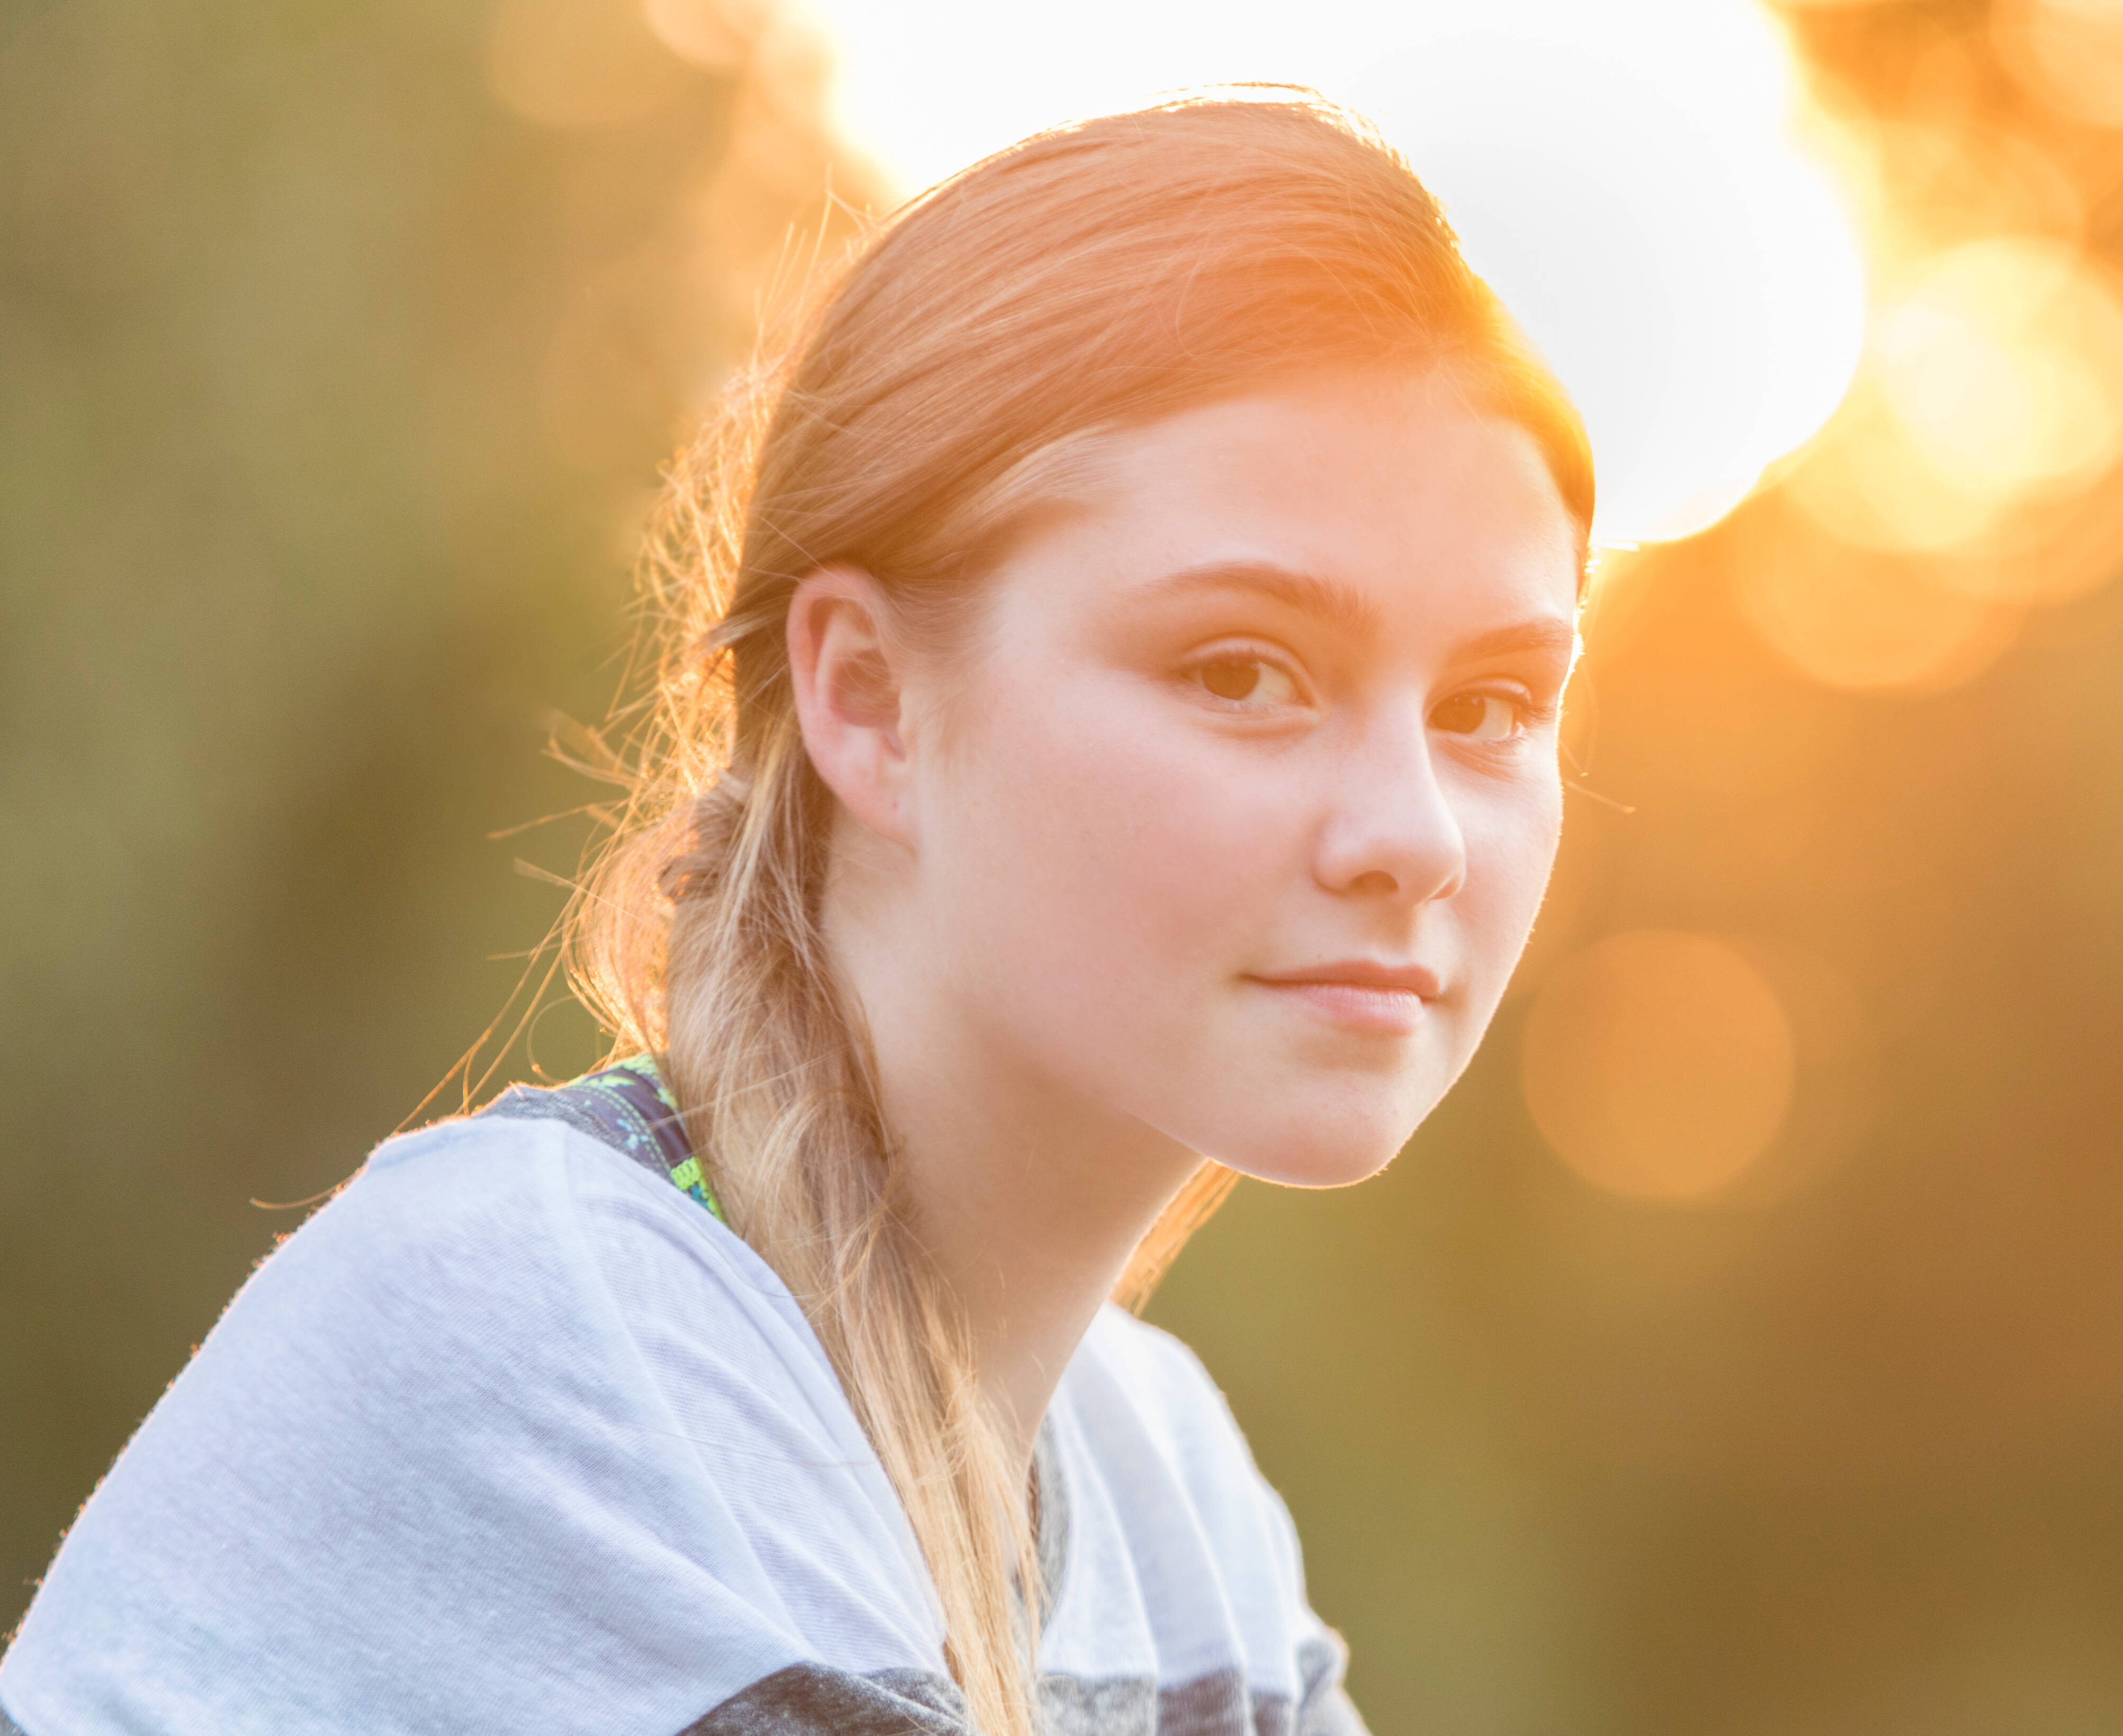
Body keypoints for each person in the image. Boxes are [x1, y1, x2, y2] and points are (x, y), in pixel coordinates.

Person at [0, 95, 1591, 1736]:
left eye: (1491, 706)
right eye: (1242, 672)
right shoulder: (556, 1330)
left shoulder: (1168, 1504)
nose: (1413, 833)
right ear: (870, 699)